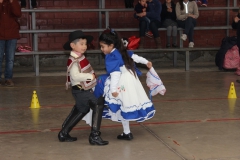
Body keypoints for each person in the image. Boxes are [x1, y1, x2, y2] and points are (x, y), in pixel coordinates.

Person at [94, 28, 156, 140]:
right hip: (131, 79)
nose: (101, 49)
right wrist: (146, 62)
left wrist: (113, 89)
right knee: (124, 105)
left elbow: (115, 74)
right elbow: (135, 57)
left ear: (111, 45)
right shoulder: (121, 51)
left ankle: (127, 132)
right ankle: (126, 132)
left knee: (121, 105)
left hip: (122, 82)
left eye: (103, 46)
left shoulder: (111, 57)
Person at [58, 30, 108, 145]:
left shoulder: (79, 57)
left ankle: (64, 132)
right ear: (72, 45)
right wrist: (90, 76)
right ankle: (94, 136)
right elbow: (75, 76)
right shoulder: (74, 60)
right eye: (81, 44)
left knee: (82, 109)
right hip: (81, 91)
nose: (84, 46)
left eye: (85, 44)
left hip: (79, 91)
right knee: (97, 105)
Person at [0, 0, 21, 86]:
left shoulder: (13, 2)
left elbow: (18, 13)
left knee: (10, 59)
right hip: (0, 34)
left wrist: (12, 2)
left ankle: (8, 78)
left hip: (12, 34)